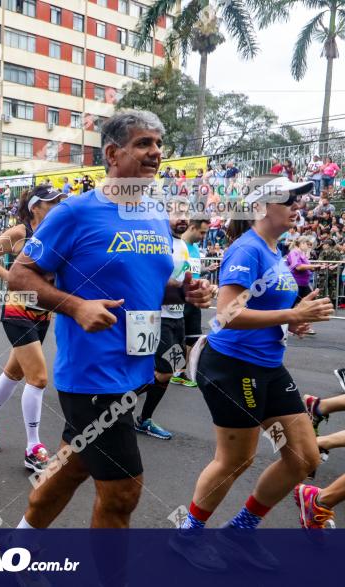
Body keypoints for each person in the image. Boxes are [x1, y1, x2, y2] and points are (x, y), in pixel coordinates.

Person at [13, 110, 212, 529]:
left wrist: (184, 291)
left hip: (134, 368)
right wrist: (76, 306)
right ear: (112, 152)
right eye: (144, 143)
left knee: (72, 467)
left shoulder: (156, 215)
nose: (156, 152)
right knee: (123, 492)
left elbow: (149, 287)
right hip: (92, 374)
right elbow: (19, 276)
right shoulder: (74, 213)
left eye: (159, 144)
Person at [172, 176, 334, 569]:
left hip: (268, 368)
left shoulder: (274, 250)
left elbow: (263, 310)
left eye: (300, 199)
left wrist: (288, 322)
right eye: (289, 199)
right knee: (235, 460)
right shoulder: (246, 250)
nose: (299, 205)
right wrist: (292, 313)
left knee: (302, 457)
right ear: (261, 207)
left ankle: (239, 531)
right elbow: (226, 315)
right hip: (232, 368)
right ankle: (188, 536)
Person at [0, 186, 63, 471]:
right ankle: (33, 447)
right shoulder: (20, 232)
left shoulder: (56, 233)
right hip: (16, 310)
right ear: (36, 207)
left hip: (42, 312)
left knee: (14, 372)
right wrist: (12, 277)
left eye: (60, 202)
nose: (58, 206)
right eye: (52, 202)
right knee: (37, 379)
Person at [133, 198, 192, 441]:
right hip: (158, 317)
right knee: (164, 372)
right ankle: (133, 414)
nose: (183, 218)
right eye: (177, 212)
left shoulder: (182, 245)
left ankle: (117, 405)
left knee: (167, 370)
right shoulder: (158, 241)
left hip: (178, 317)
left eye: (187, 213)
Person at [171, 218, 211, 388]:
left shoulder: (194, 248)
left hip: (193, 299)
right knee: (174, 338)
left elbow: (192, 273)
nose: (204, 236)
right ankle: (169, 371)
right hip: (175, 299)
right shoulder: (177, 244)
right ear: (192, 227)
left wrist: (203, 278)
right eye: (202, 232)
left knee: (193, 338)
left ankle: (181, 371)